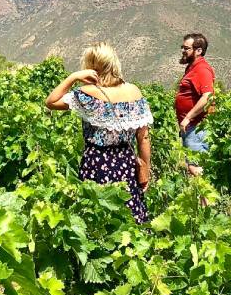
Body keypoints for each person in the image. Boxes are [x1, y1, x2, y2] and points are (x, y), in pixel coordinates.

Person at [46, 43, 154, 224]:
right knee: (128, 214)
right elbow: (143, 137)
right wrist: (145, 169)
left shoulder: (87, 94)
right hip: (126, 161)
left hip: (97, 161)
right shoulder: (134, 91)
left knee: (96, 217)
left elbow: (51, 101)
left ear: (91, 67)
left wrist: (73, 78)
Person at [175, 33, 215, 175]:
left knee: (196, 169)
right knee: (194, 169)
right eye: (182, 47)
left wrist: (188, 117)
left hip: (196, 128)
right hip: (192, 128)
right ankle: (202, 198)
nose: (183, 51)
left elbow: (208, 96)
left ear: (198, 51)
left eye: (186, 48)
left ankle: (206, 198)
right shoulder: (192, 68)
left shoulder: (201, 69)